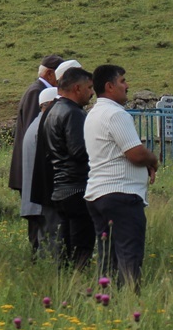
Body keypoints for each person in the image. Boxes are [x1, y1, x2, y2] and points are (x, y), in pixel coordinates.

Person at [85, 64, 159, 289]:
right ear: (109, 86)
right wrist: (153, 160)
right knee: (129, 255)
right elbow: (135, 154)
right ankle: (129, 299)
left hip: (98, 194)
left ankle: (106, 299)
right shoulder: (116, 114)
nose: (127, 86)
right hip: (121, 194)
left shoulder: (93, 114)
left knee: (108, 258)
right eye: (122, 81)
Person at [42, 66, 96, 268]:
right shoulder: (74, 113)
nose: (92, 93)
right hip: (77, 187)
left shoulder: (53, 110)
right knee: (81, 246)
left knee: (65, 246)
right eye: (89, 88)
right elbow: (79, 151)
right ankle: (79, 281)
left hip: (60, 187)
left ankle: (64, 281)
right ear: (77, 88)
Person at [8, 54, 62, 252]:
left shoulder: (39, 90)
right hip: (32, 170)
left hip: (34, 171)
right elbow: (37, 132)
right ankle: (37, 259)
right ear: (49, 74)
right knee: (39, 221)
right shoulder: (37, 93)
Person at [20, 86, 60, 259]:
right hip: (43, 200)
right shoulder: (43, 126)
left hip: (35, 199)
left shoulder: (36, 124)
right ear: (50, 104)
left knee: (44, 243)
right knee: (51, 245)